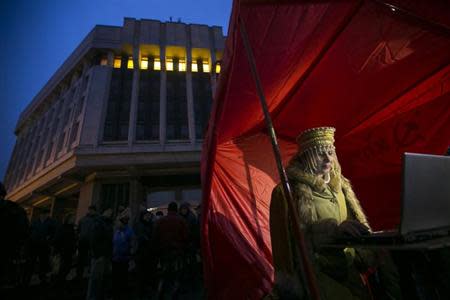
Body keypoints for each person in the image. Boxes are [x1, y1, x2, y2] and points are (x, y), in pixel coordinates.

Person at [269, 127, 401, 299]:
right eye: (320, 153)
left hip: (349, 270)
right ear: (306, 156)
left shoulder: (341, 186)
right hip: (318, 277)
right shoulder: (286, 193)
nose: (328, 158)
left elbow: (354, 223)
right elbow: (288, 245)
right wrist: (332, 230)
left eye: (331, 152)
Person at [0, 182, 29, 288]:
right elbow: (24, 232)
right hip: (10, 253)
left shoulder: (16, 210)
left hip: (8, 253)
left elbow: (24, 232)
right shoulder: (17, 210)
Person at [25, 207, 57, 286]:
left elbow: (54, 233)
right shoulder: (35, 222)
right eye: (44, 214)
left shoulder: (51, 222)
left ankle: (42, 279)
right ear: (41, 214)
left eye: (46, 214)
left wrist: (50, 240)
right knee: (31, 262)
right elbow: (30, 232)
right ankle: (27, 279)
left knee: (43, 263)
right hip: (34, 245)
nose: (45, 215)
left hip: (44, 246)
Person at [86, 208, 114, 300]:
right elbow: (94, 240)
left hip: (106, 254)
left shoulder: (108, 223)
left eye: (111, 212)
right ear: (104, 212)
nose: (110, 213)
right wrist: (97, 255)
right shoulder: (99, 222)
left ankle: (99, 296)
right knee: (96, 278)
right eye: (109, 211)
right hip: (100, 255)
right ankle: (92, 297)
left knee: (103, 278)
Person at [112, 208, 134, 299]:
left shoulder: (121, 230)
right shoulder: (118, 230)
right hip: (118, 256)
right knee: (119, 276)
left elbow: (132, 243)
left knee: (121, 276)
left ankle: (119, 293)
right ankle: (118, 293)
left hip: (122, 256)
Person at [77, 205, 98, 280]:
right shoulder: (95, 220)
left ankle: (83, 275)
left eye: (91, 210)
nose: (90, 211)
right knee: (83, 260)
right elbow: (78, 230)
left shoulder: (83, 219)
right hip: (86, 242)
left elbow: (78, 230)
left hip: (87, 242)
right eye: (90, 210)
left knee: (85, 259)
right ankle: (81, 275)